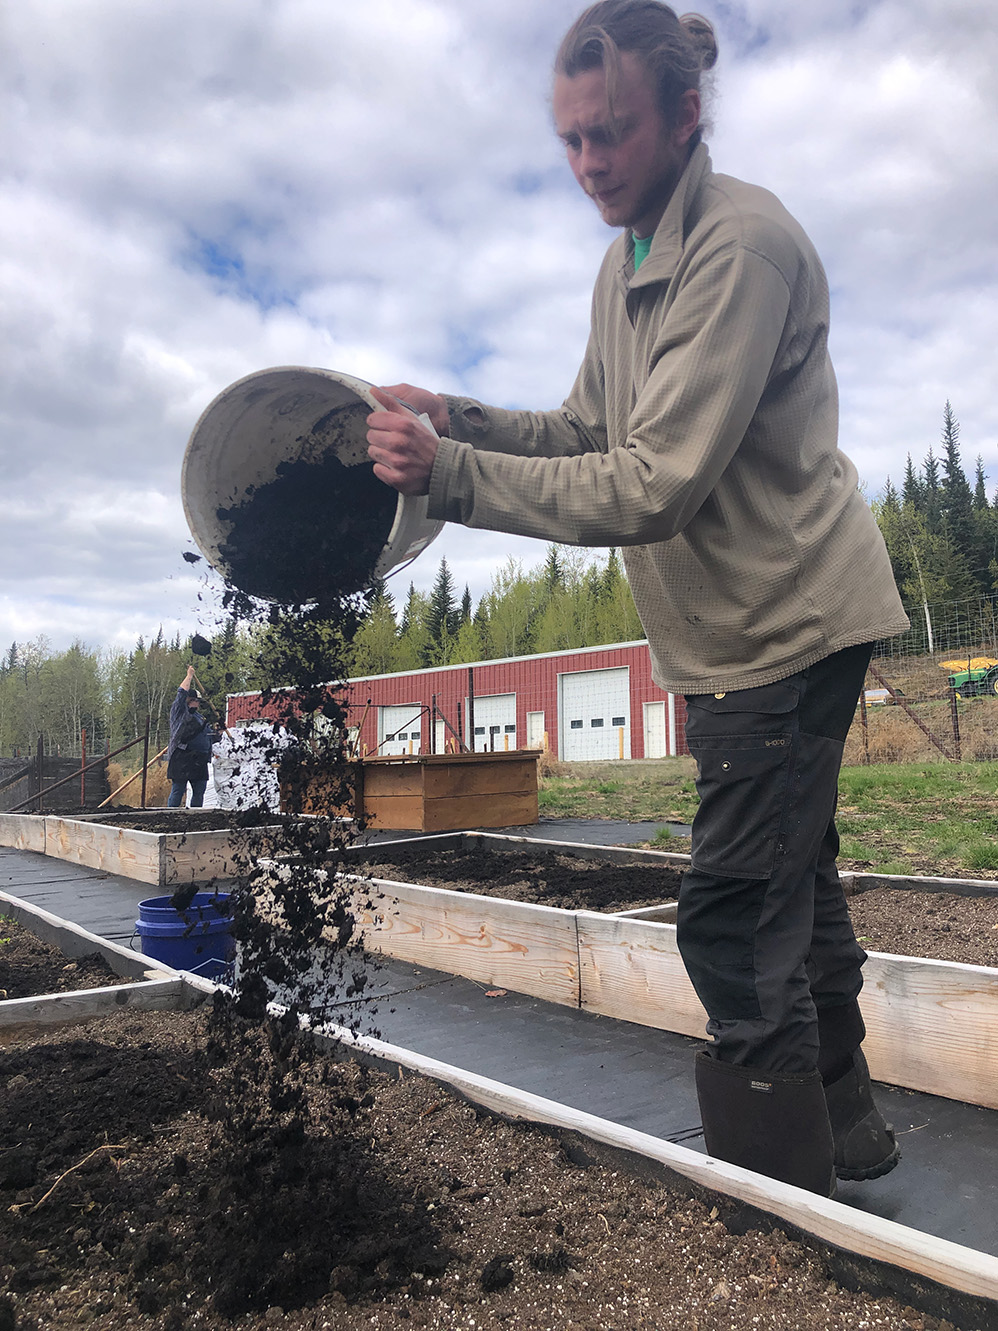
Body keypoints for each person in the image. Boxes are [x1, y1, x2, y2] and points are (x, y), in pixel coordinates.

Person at [364, 1, 911, 1196]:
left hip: (783, 625)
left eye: (607, 134)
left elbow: (651, 480)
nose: (587, 164)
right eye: (567, 141)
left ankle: (784, 1199)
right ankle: (848, 1135)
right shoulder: (630, 263)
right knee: (789, 885)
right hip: (734, 635)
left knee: (726, 915)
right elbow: (579, 429)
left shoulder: (738, 248)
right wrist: (455, 416)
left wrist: (448, 477)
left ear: (683, 114)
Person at [166, 664, 219, 808]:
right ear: (188, 700)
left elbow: (209, 737)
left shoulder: (200, 718)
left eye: (198, 701)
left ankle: (194, 816)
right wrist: (189, 676)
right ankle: (171, 816)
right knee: (178, 789)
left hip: (200, 758)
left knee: (199, 790)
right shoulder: (179, 713)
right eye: (194, 700)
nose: (196, 703)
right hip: (182, 756)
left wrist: (218, 732)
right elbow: (181, 692)